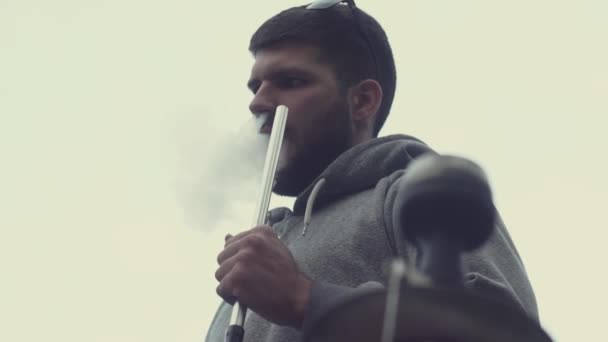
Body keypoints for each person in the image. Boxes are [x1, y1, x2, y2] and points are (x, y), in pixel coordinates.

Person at [206, 1, 538, 341]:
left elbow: (501, 331)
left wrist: (303, 297)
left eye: (290, 81)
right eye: (255, 87)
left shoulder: (414, 198)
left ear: (362, 101)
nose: (258, 103)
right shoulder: (265, 246)